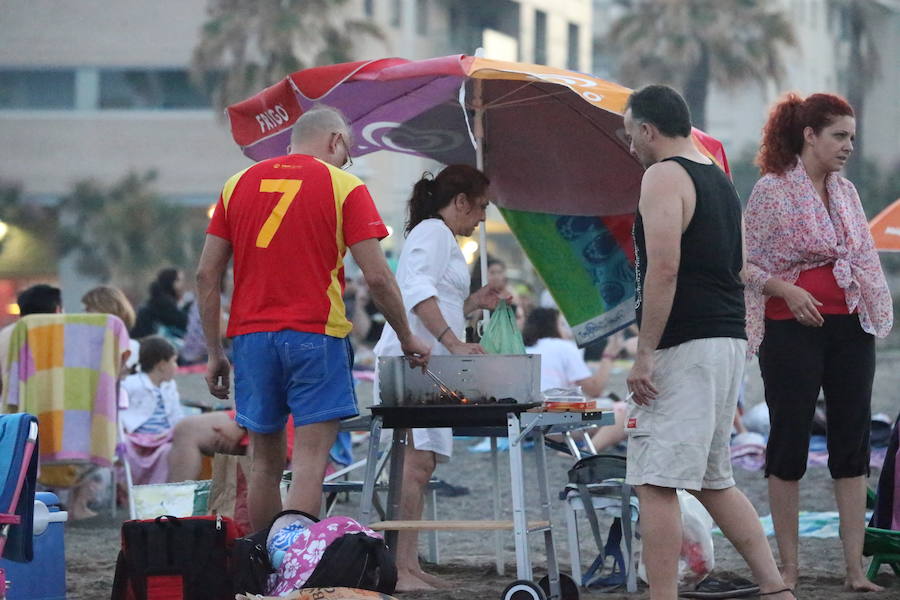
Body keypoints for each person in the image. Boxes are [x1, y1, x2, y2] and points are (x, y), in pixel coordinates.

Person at [197, 106, 429, 531]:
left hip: (250, 338)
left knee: (264, 462)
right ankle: (296, 571)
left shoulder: (236, 185)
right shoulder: (345, 186)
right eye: (348, 152)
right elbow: (377, 276)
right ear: (335, 140)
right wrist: (407, 335)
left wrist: (214, 351)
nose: (347, 160)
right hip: (315, 334)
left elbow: (205, 274)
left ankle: (264, 565)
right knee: (308, 465)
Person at [623, 85, 792, 600]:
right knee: (715, 479)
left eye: (630, 134)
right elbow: (734, 266)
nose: (630, 145)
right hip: (725, 338)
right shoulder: (718, 178)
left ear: (649, 130)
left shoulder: (663, 175)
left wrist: (645, 352)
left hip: (686, 343)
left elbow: (665, 268)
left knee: (654, 480)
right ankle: (775, 587)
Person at [744, 92, 892, 593]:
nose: (848, 145)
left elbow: (863, 258)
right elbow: (742, 262)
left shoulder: (847, 192)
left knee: (851, 444)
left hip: (852, 326)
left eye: (852, 136)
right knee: (789, 442)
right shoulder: (771, 191)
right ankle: (788, 569)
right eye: (839, 135)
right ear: (809, 134)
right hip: (790, 329)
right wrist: (785, 288)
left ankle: (853, 570)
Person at [373, 164, 506, 591]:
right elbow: (415, 292)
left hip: (428, 359)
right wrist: (454, 342)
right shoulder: (432, 231)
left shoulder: (439, 235)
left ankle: (408, 563)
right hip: (416, 360)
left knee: (421, 463)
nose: (483, 217)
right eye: (481, 207)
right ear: (461, 201)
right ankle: (401, 568)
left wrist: (470, 305)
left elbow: (438, 299)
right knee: (415, 462)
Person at [119, 336, 183, 484]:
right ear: (161, 365)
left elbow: (176, 415)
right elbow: (121, 414)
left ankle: (158, 489)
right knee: (125, 448)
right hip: (137, 439)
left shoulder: (170, 387)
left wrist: (176, 431)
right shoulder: (130, 384)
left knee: (171, 450)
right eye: (174, 361)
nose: (176, 367)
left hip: (163, 438)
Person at [0, 284, 62, 394]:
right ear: (57, 309)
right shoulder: (62, 334)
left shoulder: (5, 334)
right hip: (53, 403)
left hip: (12, 405)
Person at [82, 285, 140, 374]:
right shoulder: (83, 345)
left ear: (107, 309)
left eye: (89, 309)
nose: (84, 315)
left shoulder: (131, 348)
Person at [131, 267, 190, 342]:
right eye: (178, 280)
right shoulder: (162, 304)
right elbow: (184, 323)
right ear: (170, 282)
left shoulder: (156, 301)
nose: (182, 284)